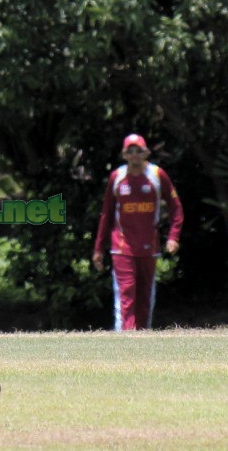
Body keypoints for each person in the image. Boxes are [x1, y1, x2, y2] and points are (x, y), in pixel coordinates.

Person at [92, 134, 184, 331]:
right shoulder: (117, 178)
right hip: (122, 247)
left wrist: (173, 237)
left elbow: (176, 208)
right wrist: (98, 249)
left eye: (138, 151)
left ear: (146, 153)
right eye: (130, 151)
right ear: (125, 155)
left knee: (144, 298)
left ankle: (142, 343)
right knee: (126, 298)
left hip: (149, 247)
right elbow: (106, 214)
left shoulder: (157, 175)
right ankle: (125, 344)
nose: (135, 155)